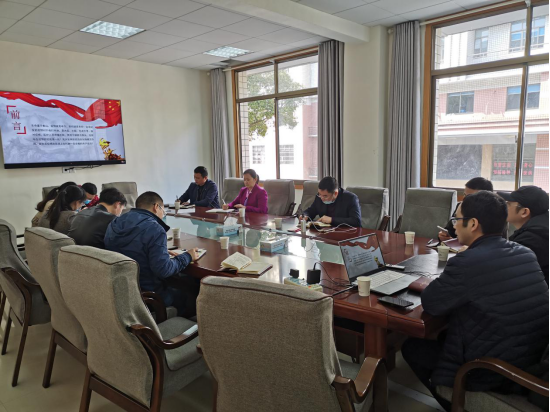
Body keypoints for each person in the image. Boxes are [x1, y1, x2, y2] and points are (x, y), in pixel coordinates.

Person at [402, 191, 549, 411]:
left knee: (412, 347)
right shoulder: (525, 252)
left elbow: (432, 303)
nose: (454, 226)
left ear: (472, 224)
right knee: (444, 334)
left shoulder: (467, 261)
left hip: (496, 372)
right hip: (532, 357)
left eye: (456, 219)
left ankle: (457, 402)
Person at [104, 191, 200, 317]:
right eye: (163, 210)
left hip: (121, 291)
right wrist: (188, 256)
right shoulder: (154, 228)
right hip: (149, 295)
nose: (163, 214)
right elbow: (163, 270)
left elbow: (131, 248)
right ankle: (184, 324)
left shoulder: (115, 223)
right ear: (156, 207)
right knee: (190, 291)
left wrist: (160, 251)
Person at [498, 186, 549, 285]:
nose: (504, 207)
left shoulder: (528, 241)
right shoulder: (541, 228)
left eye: (508, 204)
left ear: (524, 212)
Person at [439, 177, 494, 241]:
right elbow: (450, 230)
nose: (465, 200)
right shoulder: (460, 207)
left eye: (470, 197)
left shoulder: (494, 213)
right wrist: (444, 236)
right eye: (465, 195)